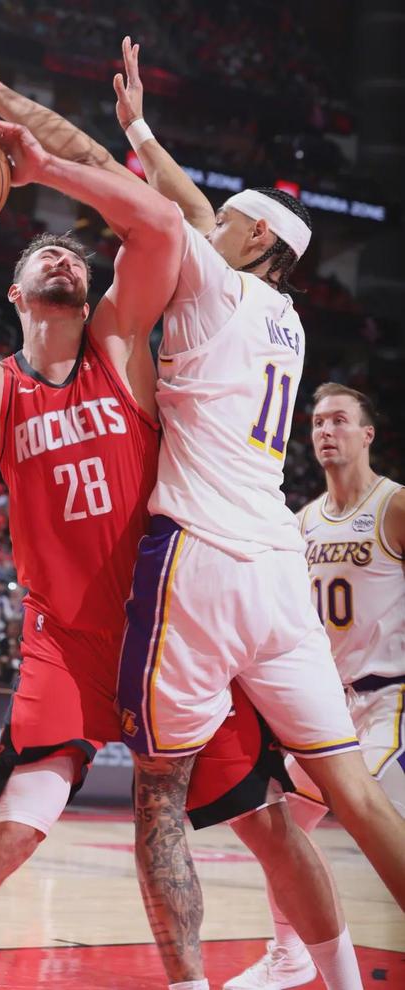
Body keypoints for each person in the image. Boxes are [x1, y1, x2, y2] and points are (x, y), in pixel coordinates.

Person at [0, 112, 357, 990]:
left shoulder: (119, 348)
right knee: (14, 827)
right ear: (16, 294)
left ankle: (335, 977)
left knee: (266, 823)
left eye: (74, 258)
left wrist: (109, 141)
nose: (62, 259)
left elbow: (162, 228)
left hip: (171, 623)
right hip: (66, 640)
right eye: (43, 256)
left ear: (92, 291)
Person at [0, 32, 405, 990]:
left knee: (159, 793)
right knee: (356, 798)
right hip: (279, 562)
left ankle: (190, 983)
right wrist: (144, 132)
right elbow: (192, 207)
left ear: (251, 240)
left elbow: (145, 199)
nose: (209, 218)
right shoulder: (283, 312)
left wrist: (19, 122)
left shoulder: (204, 275)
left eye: (226, 219)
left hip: (200, 555)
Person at [226, 383, 404, 990]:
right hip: (326, 703)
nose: (326, 430)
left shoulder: (394, 505)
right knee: (277, 825)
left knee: (378, 826)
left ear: (367, 434)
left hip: (390, 701)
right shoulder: (300, 523)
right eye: (318, 422)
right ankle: (291, 956)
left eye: (339, 420)